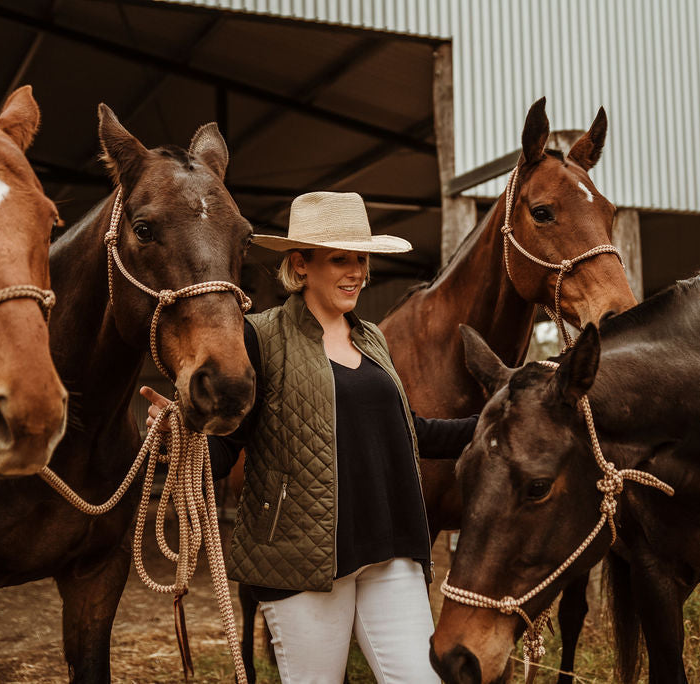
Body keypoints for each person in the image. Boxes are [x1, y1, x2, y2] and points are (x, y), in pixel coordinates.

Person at [142, 191, 476, 683]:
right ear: (300, 266)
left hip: (392, 546)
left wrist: (496, 423)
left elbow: (409, 432)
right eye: (340, 259)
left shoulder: (371, 338)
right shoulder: (260, 338)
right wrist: (180, 440)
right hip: (303, 559)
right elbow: (225, 446)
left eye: (362, 259)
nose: (357, 271)